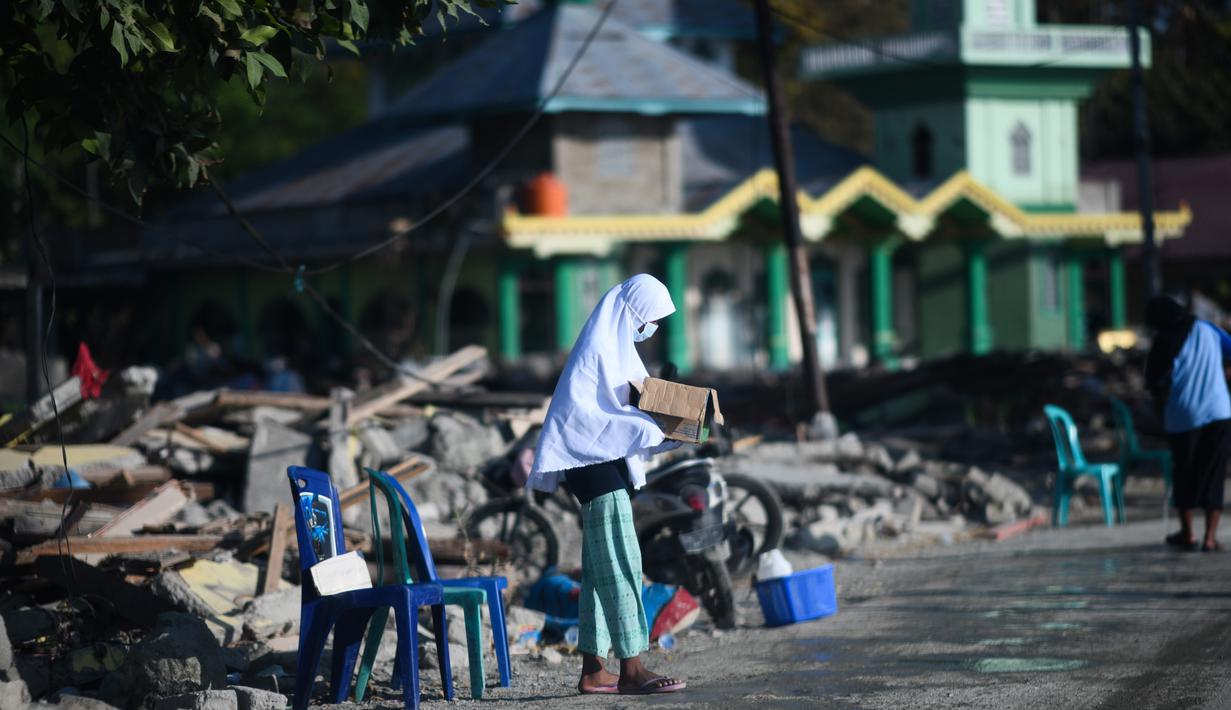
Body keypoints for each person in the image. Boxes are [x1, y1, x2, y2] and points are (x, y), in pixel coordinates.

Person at [528, 274, 687, 695]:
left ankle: (594, 669)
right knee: (621, 562)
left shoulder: (619, 352)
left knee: (600, 569)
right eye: (649, 319)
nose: (650, 329)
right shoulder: (598, 351)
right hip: (591, 464)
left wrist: (665, 429)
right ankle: (632, 668)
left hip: (601, 463)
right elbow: (593, 422)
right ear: (632, 313)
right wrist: (651, 430)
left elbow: (631, 410)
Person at [1145, 295, 1231, 552]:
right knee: (1215, 474)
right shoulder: (1208, 329)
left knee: (1184, 473)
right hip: (1219, 412)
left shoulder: (1164, 341)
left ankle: (1188, 533)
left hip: (1183, 417)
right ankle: (1210, 537)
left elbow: (1155, 383)